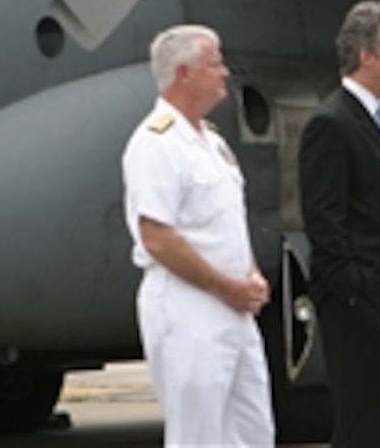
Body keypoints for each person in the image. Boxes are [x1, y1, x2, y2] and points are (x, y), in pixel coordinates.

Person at [122, 24, 274, 448]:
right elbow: (157, 237)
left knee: (253, 431)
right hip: (188, 306)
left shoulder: (211, 143)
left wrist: (251, 275)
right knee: (199, 437)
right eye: (215, 64)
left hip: (234, 305)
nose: (225, 73)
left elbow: (227, 223)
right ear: (184, 72)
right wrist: (225, 286)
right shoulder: (156, 143)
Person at [298, 0, 380, 448]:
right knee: (362, 425)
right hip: (360, 302)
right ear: (367, 56)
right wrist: (354, 289)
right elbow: (324, 219)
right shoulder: (332, 123)